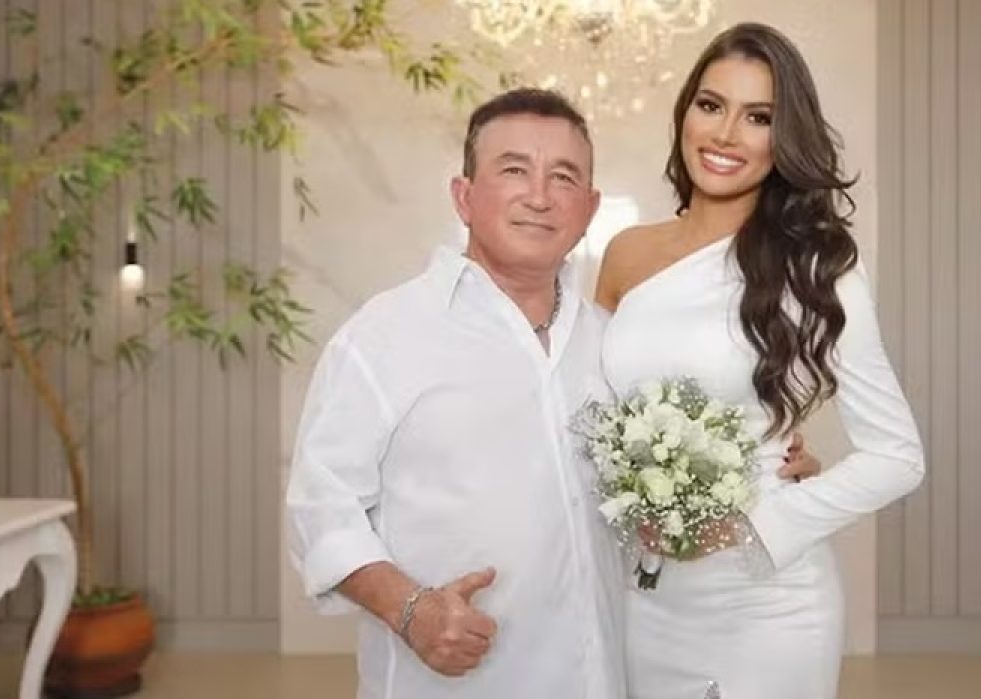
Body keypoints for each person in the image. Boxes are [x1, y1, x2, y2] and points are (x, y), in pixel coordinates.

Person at [285, 87, 823, 699]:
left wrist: (773, 465)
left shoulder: (614, 344)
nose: (539, 197)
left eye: (563, 177)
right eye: (514, 170)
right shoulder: (385, 335)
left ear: (589, 208)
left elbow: (677, 466)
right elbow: (321, 508)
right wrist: (410, 609)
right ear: (464, 196)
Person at [595, 23, 925, 699]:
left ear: (785, 139)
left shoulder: (817, 269)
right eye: (711, 105)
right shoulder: (627, 252)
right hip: (646, 597)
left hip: (768, 602)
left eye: (759, 117)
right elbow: (588, 410)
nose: (725, 135)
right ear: (685, 111)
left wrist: (755, 525)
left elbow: (898, 456)